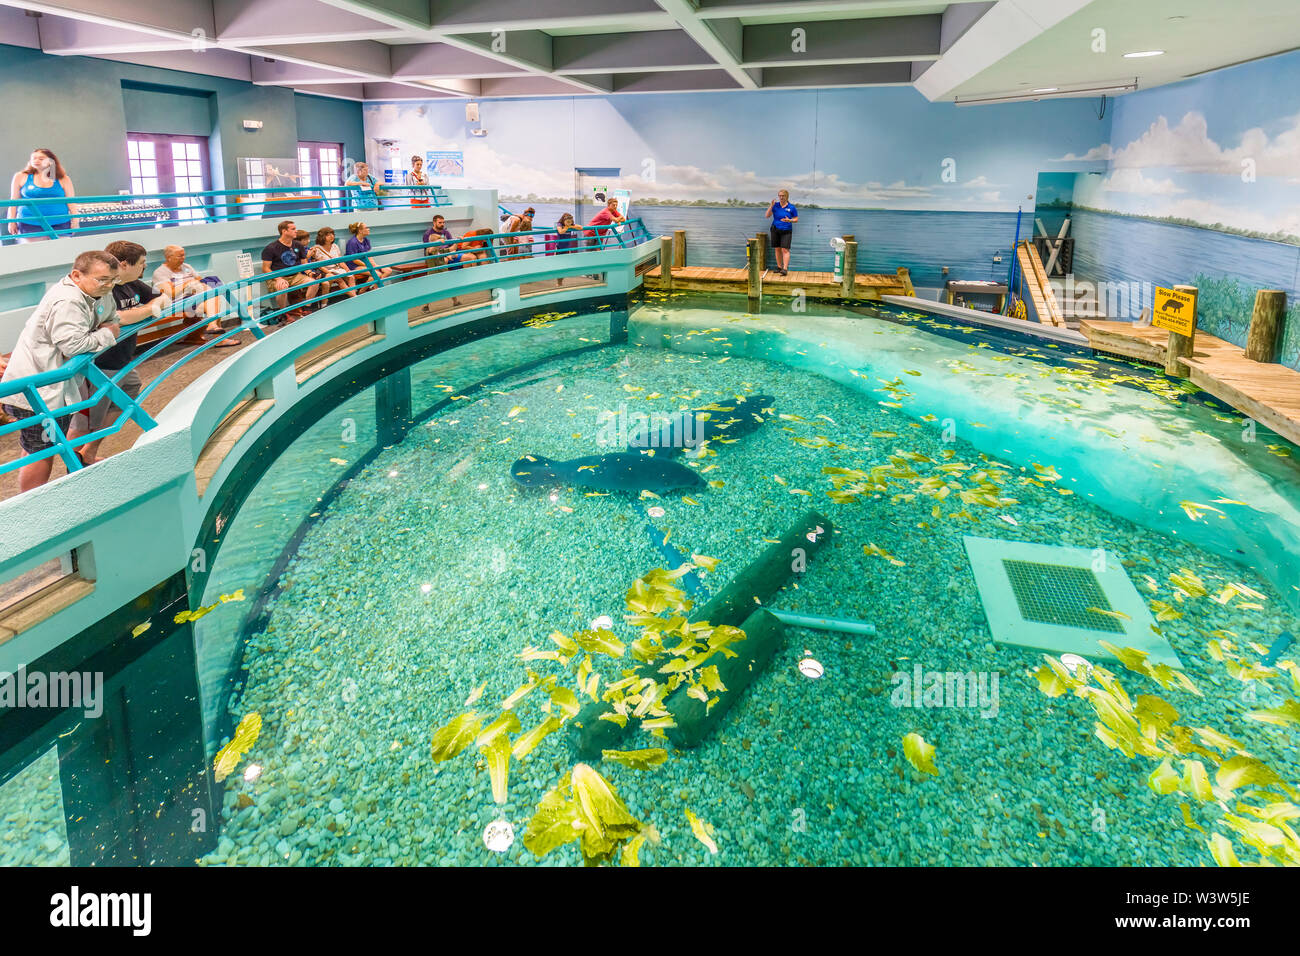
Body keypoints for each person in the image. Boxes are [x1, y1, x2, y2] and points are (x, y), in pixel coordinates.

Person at [0, 250, 121, 492]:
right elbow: (73, 345)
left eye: (113, 280)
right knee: (41, 452)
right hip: (36, 393)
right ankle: (32, 504)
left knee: (40, 447)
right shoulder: (67, 300)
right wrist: (107, 334)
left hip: (52, 390)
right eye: (102, 280)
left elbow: (113, 317)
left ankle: (33, 499)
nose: (108, 286)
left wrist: (102, 331)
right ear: (77, 275)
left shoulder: (96, 293)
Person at [67, 240, 177, 464]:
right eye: (142, 264)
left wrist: (145, 309)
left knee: (129, 392)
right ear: (125, 264)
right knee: (86, 419)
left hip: (122, 361)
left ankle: (87, 452)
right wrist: (147, 310)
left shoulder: (133, 284)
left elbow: (163, 297)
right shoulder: (102, 289)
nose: (144, 268)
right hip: (97, 365)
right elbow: (117, 318)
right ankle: (74, 467)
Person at [152, 244, 233, 345]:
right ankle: (219, 338)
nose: (183, 258)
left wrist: (197, 285)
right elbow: (170, 294)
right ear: (169, 258)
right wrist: (187, 285)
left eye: (184, 255)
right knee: (213, 299)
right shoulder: (160, 273)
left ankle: (214, 329)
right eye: (180, 256)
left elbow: (200, 280)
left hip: (195, 298)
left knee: (212, 297)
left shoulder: (186, 267)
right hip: (178, 304)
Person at [8, 148, 78, 242]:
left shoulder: (64, 179)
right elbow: (13, 201)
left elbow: (71, 201)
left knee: (60, 251)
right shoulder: (20, 176)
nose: (36, 161)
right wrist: (11, 221)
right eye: (34, 158)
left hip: (60, 223)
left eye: (41, 159)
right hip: (30, 224)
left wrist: (75, 220)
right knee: (36, 253)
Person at [260, 219, 319, 318]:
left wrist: (309, 273)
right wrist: (278, 279)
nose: (296, 231)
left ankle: (306, 308)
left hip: (295, 276)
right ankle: (283, 313)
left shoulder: (298, 245)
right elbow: (265, 268)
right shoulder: (271, 248)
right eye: (293, 229)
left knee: (314, 283)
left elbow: (304, 264)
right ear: (284, 231)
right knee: (282, 287)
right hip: (277, 277)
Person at [344, 221, 394, 290]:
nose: (368, 229)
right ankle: (362, 290)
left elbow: (368, 255)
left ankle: (375, 288)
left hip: (366, 264)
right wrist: (367, 265)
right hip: (354, 266)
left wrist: (373, 264)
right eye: (366, 228)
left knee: (388, 270)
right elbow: (354, 260)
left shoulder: (366, 240)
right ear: (360, 230)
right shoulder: (352, 242)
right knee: (377, 274)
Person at [306, 227, 355, 297]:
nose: (332, 236)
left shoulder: (335, 246)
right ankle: (354, 296)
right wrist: (329, 272)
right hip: (325, 271)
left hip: (337, 269)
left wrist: (347, 270)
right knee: (340, 279)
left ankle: (353, 295)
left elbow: (340, 261)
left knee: (351, 277)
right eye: (328, 235)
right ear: (322, 237)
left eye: (332, 234)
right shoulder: (316, 248)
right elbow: (318, 265)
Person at [764, 189, 798, 276]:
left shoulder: (791, 207)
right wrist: (771, 206)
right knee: (777, 249)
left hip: (786, 230)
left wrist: (789, 220)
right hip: (775, 229)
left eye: (783, 196)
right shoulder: (775, 206)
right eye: (780, 196)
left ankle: (785, 269)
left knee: (785, 249)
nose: (781, 197)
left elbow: (796, 219)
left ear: (787, 197)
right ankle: (779, 267)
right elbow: (767, 216)